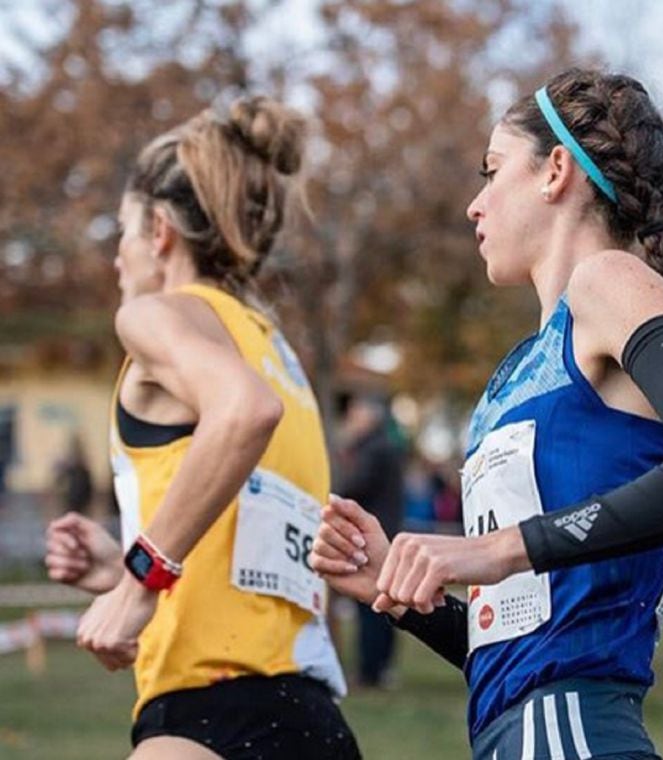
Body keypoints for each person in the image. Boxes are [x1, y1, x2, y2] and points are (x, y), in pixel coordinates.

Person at [312, 68, 663, 759]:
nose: (474, 205)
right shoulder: (519, 370)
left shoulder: (610, 280)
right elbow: (526, 648)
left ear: (556, 172)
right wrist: (404, 592)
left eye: (492, 170)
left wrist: (499, 547)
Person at [43, 96, 360, 760]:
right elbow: (256, 553)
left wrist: (137, 583)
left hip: (206, 721)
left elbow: (242, 413)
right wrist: (121, 562)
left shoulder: (154, 316)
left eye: (121, 233)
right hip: (313, 723)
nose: (115, 260)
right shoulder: (277, 352)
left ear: (160, 232)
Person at [335, 392, 404, 689]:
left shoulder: (372, 450)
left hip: (372, 537)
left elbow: (354, 487)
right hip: (388, 530)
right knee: (386, 604)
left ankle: (370, 671)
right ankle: (382, 668)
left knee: (372, 606)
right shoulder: (386, 446)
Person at [54, 432, 94, 517]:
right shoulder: (69, 465)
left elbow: (88, 485)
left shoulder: (82, 466)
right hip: (72, 501)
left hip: (79, 500)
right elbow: (58, 480)